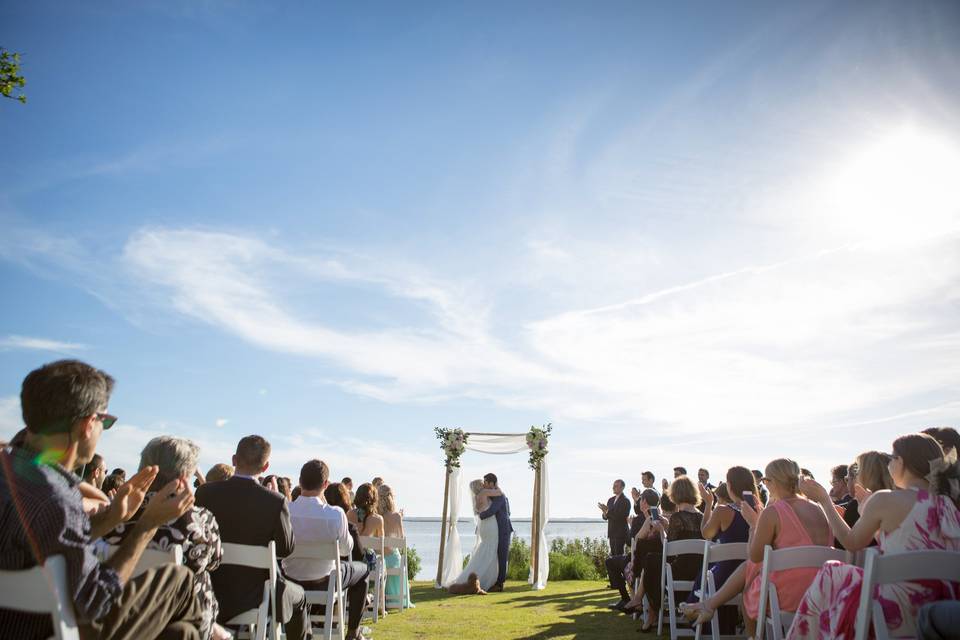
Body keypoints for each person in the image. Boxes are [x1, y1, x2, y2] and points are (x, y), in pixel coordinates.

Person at [0, 359, 203, 639]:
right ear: (87, 424)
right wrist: (147, 525)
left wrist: (112, 519)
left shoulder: (14, 476)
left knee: (181, 633)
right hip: (50, 629)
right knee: (179, 581)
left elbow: (47, 545)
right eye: (104, 422)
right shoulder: (57, 500)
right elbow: (97, 601)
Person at [786, 433, 960, 639]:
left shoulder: (885, 500)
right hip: (942, 608)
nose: (889, 465)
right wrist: (869, 509)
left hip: (894, 611)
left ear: (901, 462)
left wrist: (824, 501)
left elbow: (851, 543)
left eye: (892, 458)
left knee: (831, 571)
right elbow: (906, 544)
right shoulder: (949, 504)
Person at [682, 459, 832, 637]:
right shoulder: (819, 509)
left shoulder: (774, 511)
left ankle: (749, 633)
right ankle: (709, 605)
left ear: (772, 482)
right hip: (824, 590)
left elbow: (754, 555)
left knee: (750, 585)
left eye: (766, 481)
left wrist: (753, 524)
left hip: (790, 596)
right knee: (752, 571)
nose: (765, 486)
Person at [104, 436, 228, 640]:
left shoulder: (118, 510)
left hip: (118, 615)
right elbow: (214, 562)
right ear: (185, 475)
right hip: (181, 620)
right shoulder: (200, 519)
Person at [194, 435, 310, 640]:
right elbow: (285, 549)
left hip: (208, 590)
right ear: (265, 467)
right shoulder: (274, 501)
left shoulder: (204, 493)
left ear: (234, 459)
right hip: (255, 595)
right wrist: (279, 504)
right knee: (299, 596)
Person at [283, 460, 370, 640]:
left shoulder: (285, 511)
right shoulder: (335, 514)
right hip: (324, 582)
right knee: (363, 571)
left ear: (300, 481)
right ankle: (353, 632)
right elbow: (346, 550)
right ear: (325, 484)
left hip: (291, 580)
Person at [626, 475, 703, 631]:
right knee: (652, 560)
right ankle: (644, 605)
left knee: (651, 561)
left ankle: (650, 609)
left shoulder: (677, 517)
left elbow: (670, 551)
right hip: (699, 571)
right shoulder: (702, 517)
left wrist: (662, 530)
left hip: (679, 571)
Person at [606, 488, 659, 612]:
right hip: (654, 561)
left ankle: (626, 598)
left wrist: (631, 525)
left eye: (641, 500)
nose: (639, 502)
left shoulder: (639, 519)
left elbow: (631, 542)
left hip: (638, 560)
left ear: (644, 501)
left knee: (610, 561)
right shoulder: (660, 518)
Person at [451, 479, 503, 592]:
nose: (484, 484)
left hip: (484, 526)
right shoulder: (484, 493)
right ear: (480, 486)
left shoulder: (476, 497)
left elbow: (477, 512)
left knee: (485, 548)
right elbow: (499, 493)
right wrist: (495, 485)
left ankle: (473, 578)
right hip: (490, 524)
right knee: (491, 549)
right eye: (482, 483)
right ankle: (486, 579)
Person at [378, 485, 414, 608]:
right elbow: (400, 539)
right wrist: (399, 519)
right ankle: (399, 599)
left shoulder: (375, 517)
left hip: (380, 560)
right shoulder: (396, 516)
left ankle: (381, 599)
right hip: (393, 560)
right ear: (391, 498)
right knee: (396, 555)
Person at [478, 472, 513, 592]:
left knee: (502, 556)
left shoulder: (500, 496)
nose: (484, 485)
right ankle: (493, 580)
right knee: (495, 556)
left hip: (504, 530)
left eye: (486, 483)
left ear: (492, 483)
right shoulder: (495, 494)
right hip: (497, 530)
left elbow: (492, 510)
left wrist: (480, 516)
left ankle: (500, 584)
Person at [600, 479, 631, 555]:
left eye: (616, 486)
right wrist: (604, 513)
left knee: (619, 557)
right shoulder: (610, 500)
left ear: (622, 488)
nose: (613, 487)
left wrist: (607, 511)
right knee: (613, 557)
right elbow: (606, 517)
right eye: (613, 486)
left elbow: (620, 517)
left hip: (620, 534)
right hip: (611, 533)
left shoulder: (626, 501)